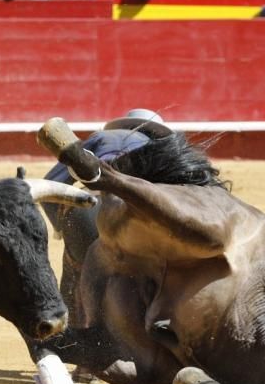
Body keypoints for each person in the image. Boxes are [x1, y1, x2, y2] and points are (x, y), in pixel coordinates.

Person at [41, 109, 171, 314]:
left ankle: (70, 328)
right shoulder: (161, 148)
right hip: (135, 214)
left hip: (90, 208)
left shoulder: (101, 137)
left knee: (75, 270)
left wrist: (60, 226)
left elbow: (51, 184)